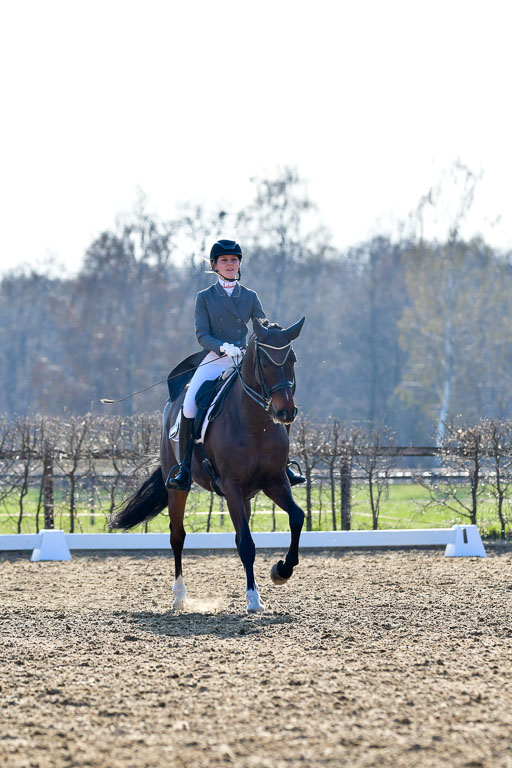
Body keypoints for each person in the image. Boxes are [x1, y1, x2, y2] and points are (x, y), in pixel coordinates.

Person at [166, 239, 305, 491]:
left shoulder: (250, 296)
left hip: (243, 359)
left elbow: (261, 325)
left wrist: (274, 337)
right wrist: (221, 347)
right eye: (224, 261)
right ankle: (184, 468)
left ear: (239, 264)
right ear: (214, 265)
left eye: (234, 260)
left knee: (280, 396)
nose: (230, 264)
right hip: (215, 358)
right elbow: (201, 334)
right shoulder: (205, 297)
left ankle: (283, 465)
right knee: (188, 405)